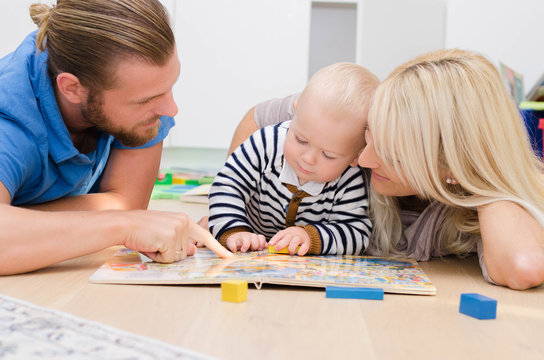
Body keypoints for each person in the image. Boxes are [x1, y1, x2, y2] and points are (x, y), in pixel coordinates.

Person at [227, 49, 544, 290]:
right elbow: (258, 116)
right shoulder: (354, 120)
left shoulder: (474, 195)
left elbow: (524, 265)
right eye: (371, 132)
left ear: (452, 170)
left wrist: (481, 176)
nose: (363, 159)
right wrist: (231, 213)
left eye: (394, 155)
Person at [0, 0, 230, 276]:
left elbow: (126, 202)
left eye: (170, 86)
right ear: (72, 88)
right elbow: (125, 215)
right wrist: (124, 225)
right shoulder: (10, 118)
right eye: (147, 99)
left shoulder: (141, 88)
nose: (171, 109)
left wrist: (21, 221)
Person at [208, 63, 378, 255]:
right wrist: (234, 229)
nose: (308, 158)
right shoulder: (266, 143)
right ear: (295, 114)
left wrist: (312, 237)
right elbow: (228, 185)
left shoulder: (349, 180)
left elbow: (356, 232)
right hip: (248, 246)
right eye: (301, 140)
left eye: (328, 155)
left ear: (356, 156)